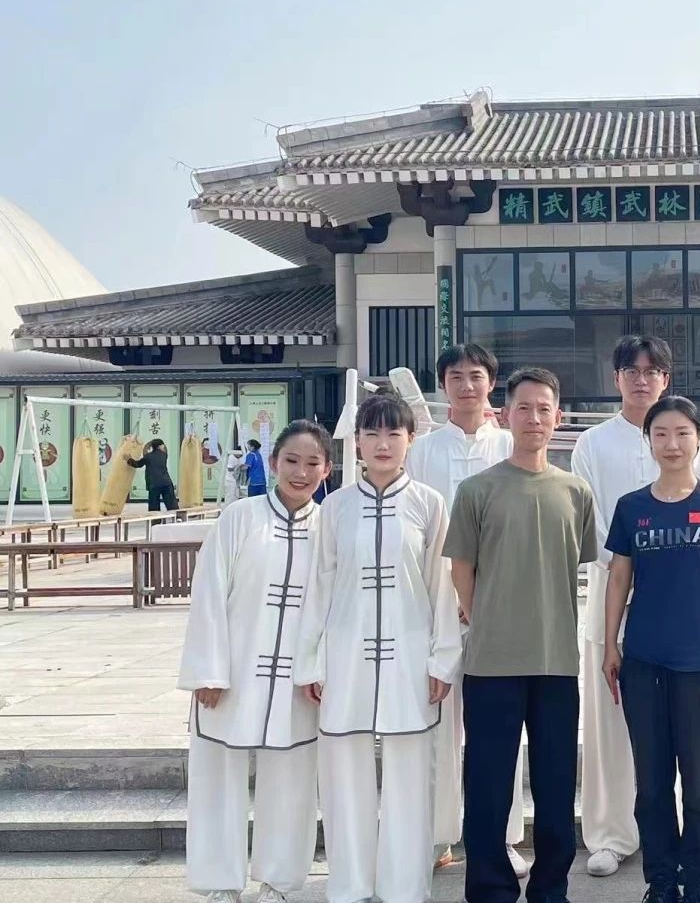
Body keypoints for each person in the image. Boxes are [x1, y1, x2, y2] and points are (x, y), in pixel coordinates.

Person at [293, 394, 460, 903]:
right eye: (372, 433)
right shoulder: (336, 508)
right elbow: (318, 586)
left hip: (410, 656)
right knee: (344, 773)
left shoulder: (429, 504)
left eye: (393, 433)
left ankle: (405, 885)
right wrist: (311, 662)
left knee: (411, 775)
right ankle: (350, 884)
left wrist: (442, 659)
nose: (382, 444)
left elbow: (442, 587)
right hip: (345, 655)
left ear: (411, 440)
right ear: (357, 443)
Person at [445, 367, 597, 903]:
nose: (534, 418)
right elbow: (461, 570)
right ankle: (490, 889)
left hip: (557, 660)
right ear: (504, 415)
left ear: (558, 417)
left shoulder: (576, 492)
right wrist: (484, 616)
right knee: (487, 785)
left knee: (555, 786)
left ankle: (551, 888)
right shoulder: (476, 490)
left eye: (544, 408)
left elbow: (579, 564)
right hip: (491, 663)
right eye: (523, 408)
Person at [602, 397, 700, 903]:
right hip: (643, 660)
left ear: (698, 439)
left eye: (683, 433)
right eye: (661, 434)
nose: (672, 444)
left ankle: (699, 879)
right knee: (652, 781)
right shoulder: (632, 507)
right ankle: (662, 879)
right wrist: (610, 644)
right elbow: (618, 578)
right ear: (648, 442)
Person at [571, 335, 700, 878]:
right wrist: (629, 560)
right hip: (611, 592)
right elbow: (589, 518)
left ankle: (677, 838)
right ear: (617, 378)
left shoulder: (689, 437)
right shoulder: (592, 444)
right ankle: (610, 834)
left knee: (678, 730)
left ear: (666, 379)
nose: (642, 379)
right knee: (609, 724)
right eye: (632, 370)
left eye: (653, 371)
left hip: (676, 606)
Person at [179, 420, 332, 903]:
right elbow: (208, 593)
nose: (301, 472)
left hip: (298, 681)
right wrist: (208, 670)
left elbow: (336, 608)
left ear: (327, 470)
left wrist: (321, 669)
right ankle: (219, 881)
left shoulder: (330, 528)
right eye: (291, 461)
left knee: (291, 780)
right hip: (233, 673)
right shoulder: (240, 518)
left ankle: (278, 881)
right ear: (273, 463)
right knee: (217, 775)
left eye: (312, 463)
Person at [405, 344, 529, 878]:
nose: (466, 386)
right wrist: (447, 598)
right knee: (438, 725)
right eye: (455, 376)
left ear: (491, 384)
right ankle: (438, 835)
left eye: (476, 376)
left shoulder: (510, 443)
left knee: (500, 727)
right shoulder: (423, 450)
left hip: (501, 602)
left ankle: (502, 838)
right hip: (436, 601)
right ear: (443, 385)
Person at [128, 438, 178, 511]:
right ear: (159, 446)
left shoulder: (148, 457)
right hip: (166, 483)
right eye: (163, 445)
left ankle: (155, 518)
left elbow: (138, 464)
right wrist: (151, 444)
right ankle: (178, 517)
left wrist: (128, 459)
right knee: (172, 505)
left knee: (154, 508)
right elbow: (164, 450)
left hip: (154, 484)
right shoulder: (164, 455)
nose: (163, 446)